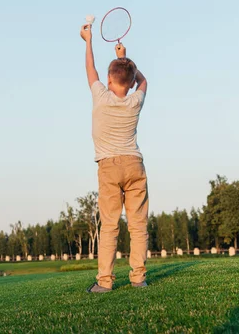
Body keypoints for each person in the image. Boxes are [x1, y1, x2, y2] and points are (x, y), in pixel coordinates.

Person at [79, 24, 150, 292]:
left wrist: (88, 41)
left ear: (109, 81)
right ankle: (138, 278)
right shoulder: (135, 101)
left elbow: (91, 69)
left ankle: (105, 282)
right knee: (138, 226)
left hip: (108, 166)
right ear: (130, 83)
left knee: (109, 226)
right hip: (134, 164)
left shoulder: (100, 96)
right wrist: (126, 59)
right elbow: (143, 81)